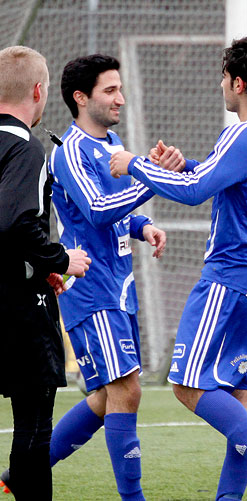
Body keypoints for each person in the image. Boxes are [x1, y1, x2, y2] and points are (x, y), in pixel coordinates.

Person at [109, 36, 247, 501]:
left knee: (186, 384)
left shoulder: (244, 133)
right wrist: (184, 165)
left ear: (238, 83)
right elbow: (229, 179)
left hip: (233, 279)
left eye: (224, 76)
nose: (221, 84)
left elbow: (197, 192)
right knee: (242, 391)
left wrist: (134, 163)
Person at [2, 54, 166, 501]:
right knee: (126, 390)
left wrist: (141, 225)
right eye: (110, 90)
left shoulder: (111, 142)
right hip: (90, 290)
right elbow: (93, 210)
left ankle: (20, 476)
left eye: (119, 89)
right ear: (80, 97)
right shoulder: (68, 150)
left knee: (103, 398)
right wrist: (154, 175)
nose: (121, 98)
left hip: (117, 285)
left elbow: (115, 206)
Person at [0, 46, 91, 500]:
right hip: (16, 312)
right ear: (39, 91)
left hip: (18, 284)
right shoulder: (25, 148)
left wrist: (35, 266)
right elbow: (14, 221)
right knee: (34, 431)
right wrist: (58, 259)